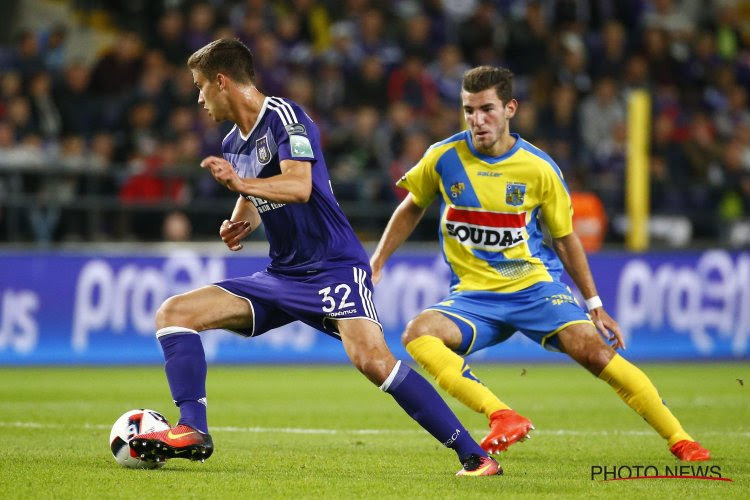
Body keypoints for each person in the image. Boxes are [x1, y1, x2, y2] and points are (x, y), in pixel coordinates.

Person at [128, 39, 500, 477]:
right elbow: (256, 195)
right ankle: (192, 428)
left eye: (200, 86)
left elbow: (298, 185)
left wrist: (241, 185)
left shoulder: (286, 116)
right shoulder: (232, 142)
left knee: (373, 361)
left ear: (222, 81)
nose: (198, 98)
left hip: (333, 265)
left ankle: (475, 456)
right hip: (282, 273)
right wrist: (239, 221)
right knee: (175, 312)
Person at [369, 66, 710, 462]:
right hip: (474, 297)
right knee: (417, 333)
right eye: (469, 110)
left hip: (535, 287)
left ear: (510, 108)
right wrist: (378, 261)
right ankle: (502, 415)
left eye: (487, 109)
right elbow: (412, 206)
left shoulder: (539, 168)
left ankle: (681, 439)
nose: (478, 120)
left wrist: (595, 304)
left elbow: (564, 238)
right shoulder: (443, 157)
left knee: (597, 353)